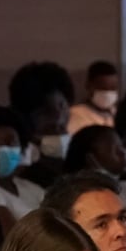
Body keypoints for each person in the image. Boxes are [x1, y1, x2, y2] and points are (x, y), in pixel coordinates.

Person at [8, 61, 76, 189]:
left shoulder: (79, 156)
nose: (58, 120)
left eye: (62, 106)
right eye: (46, 112)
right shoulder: (21, 164)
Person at [68, 61, 121, 134]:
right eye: (103, 88)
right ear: (88, 86)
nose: (108, 94)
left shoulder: (118, 114)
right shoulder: (75, 115)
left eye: (113, 88)